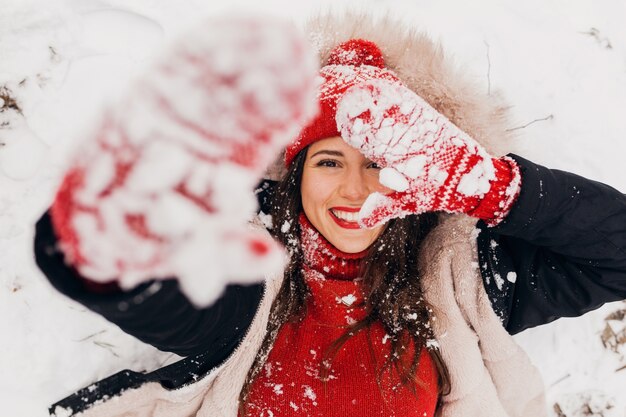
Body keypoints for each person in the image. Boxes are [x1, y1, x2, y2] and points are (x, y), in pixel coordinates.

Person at [36, 12, 626, 417]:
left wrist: (489, 188)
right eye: (328, 162)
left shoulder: (463, 283)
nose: (353, 189)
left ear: (420, 169)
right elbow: (100, 264)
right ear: (294, 177)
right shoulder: (251, 282)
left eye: (379, 161)